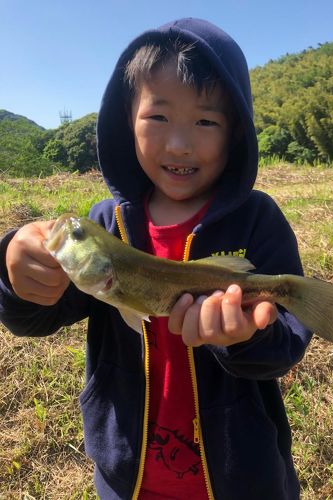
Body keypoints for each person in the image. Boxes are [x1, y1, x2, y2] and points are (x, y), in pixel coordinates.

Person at [0, 18, 312, 499]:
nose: (179, 144)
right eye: (158, 118)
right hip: (126, 479)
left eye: (206, 121)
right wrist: (16, 271)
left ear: (237, 132)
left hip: (243, 478)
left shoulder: (258, 221)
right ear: (127, 121)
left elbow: (284, 346)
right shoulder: (106, 226)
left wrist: (246, 337)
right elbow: (39, 315)